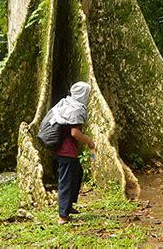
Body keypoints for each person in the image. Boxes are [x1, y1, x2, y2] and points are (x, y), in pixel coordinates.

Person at [50, 81, 95, 225]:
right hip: (66, 152)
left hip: (63, 150)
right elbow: (75, 133)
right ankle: (62, 216)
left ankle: (68, 206)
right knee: (66, 182)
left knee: (78, 173)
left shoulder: (66, 103)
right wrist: (88, 141)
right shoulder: (75, 109)